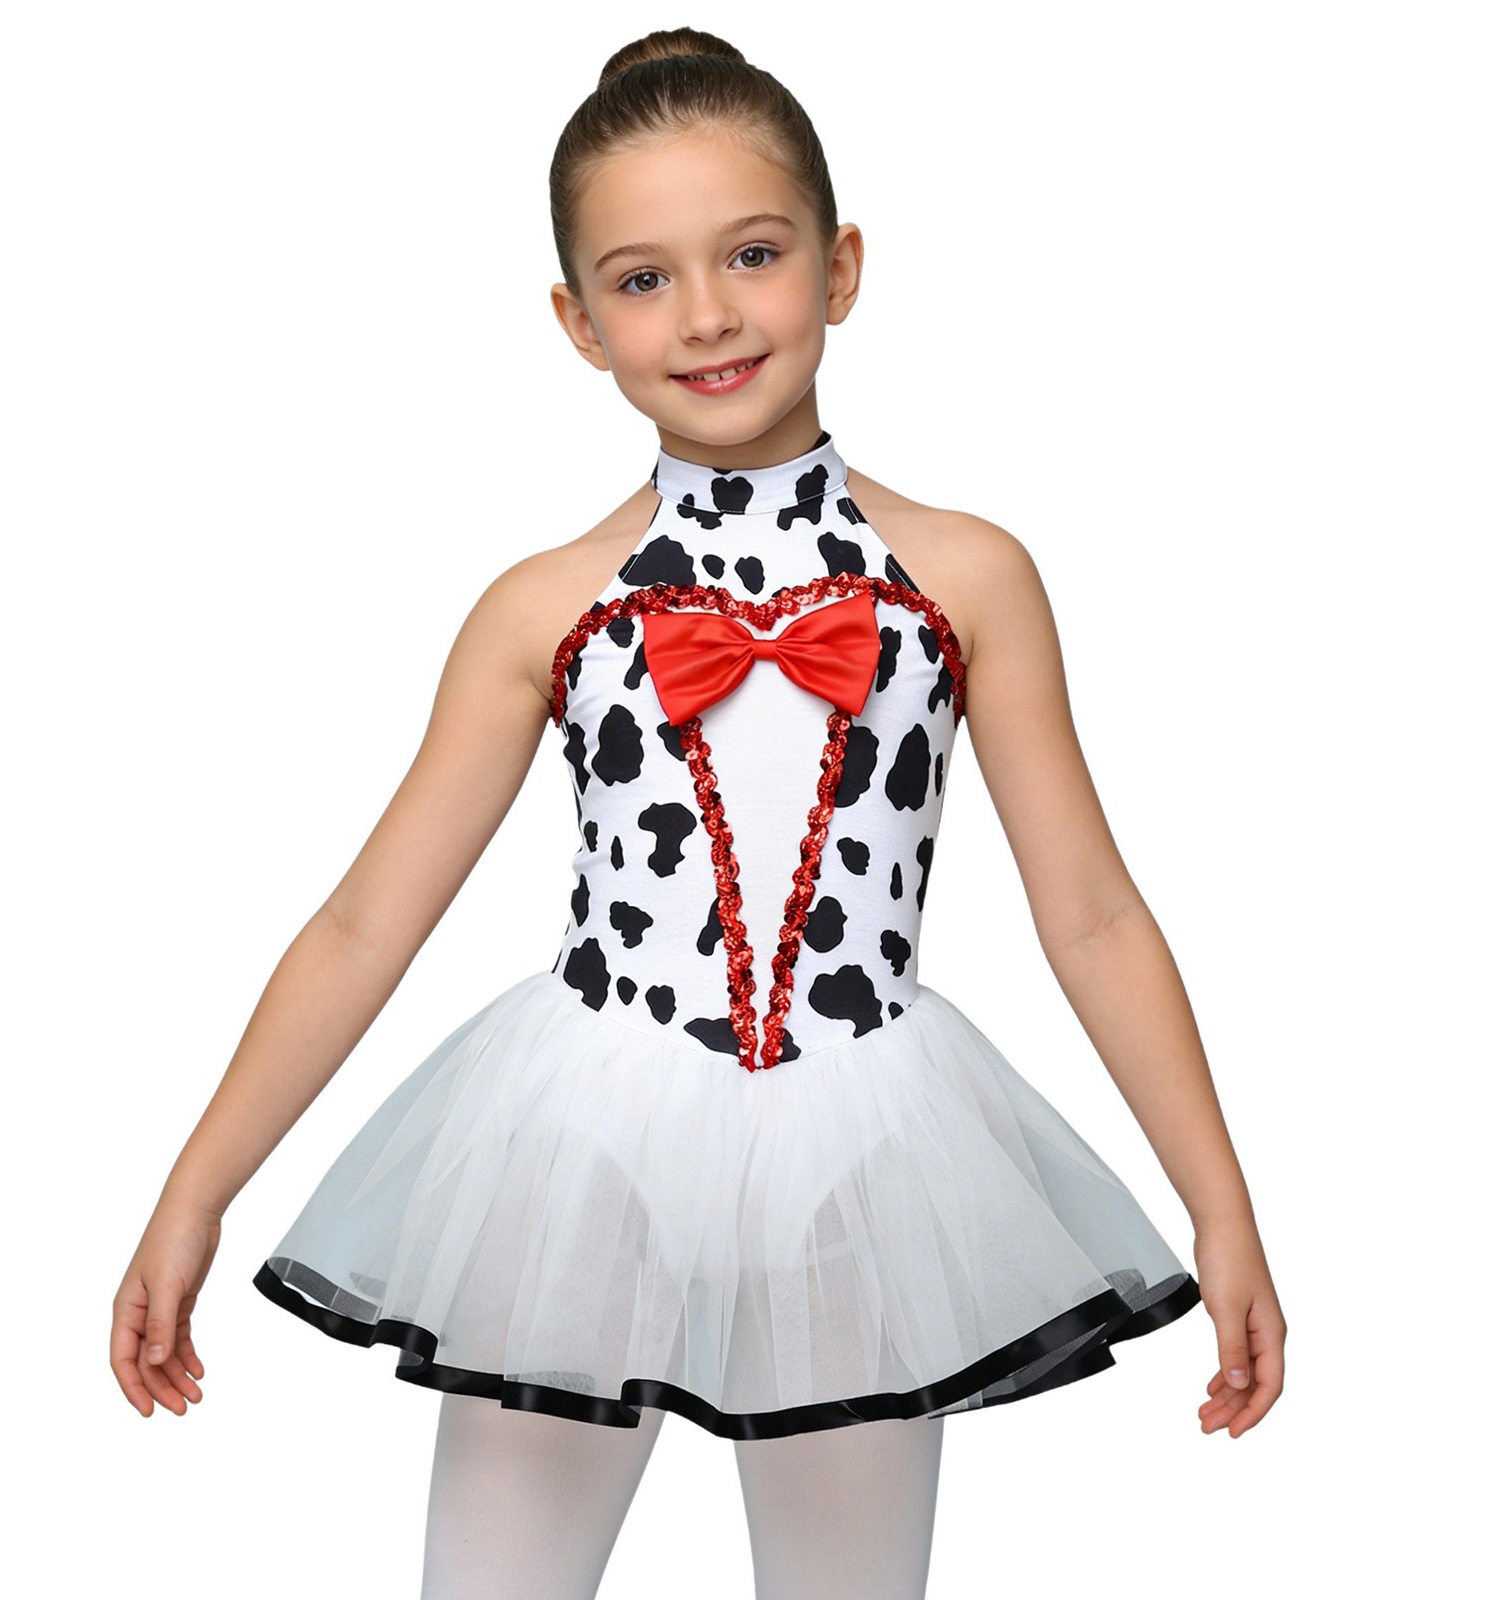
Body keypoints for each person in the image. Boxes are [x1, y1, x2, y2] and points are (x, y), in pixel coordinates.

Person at [110, 27, 1286, 1599]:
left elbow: (1092, 914)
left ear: (841, 266)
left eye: (754, 254)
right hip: (579, 1156)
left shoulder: (967, 578)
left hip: (867, 1165)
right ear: (578, 322)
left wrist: (1222, 1210)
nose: (710, 315)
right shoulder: (544, 606)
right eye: (644, 278)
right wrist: (194, 1194)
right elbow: (362, 924)